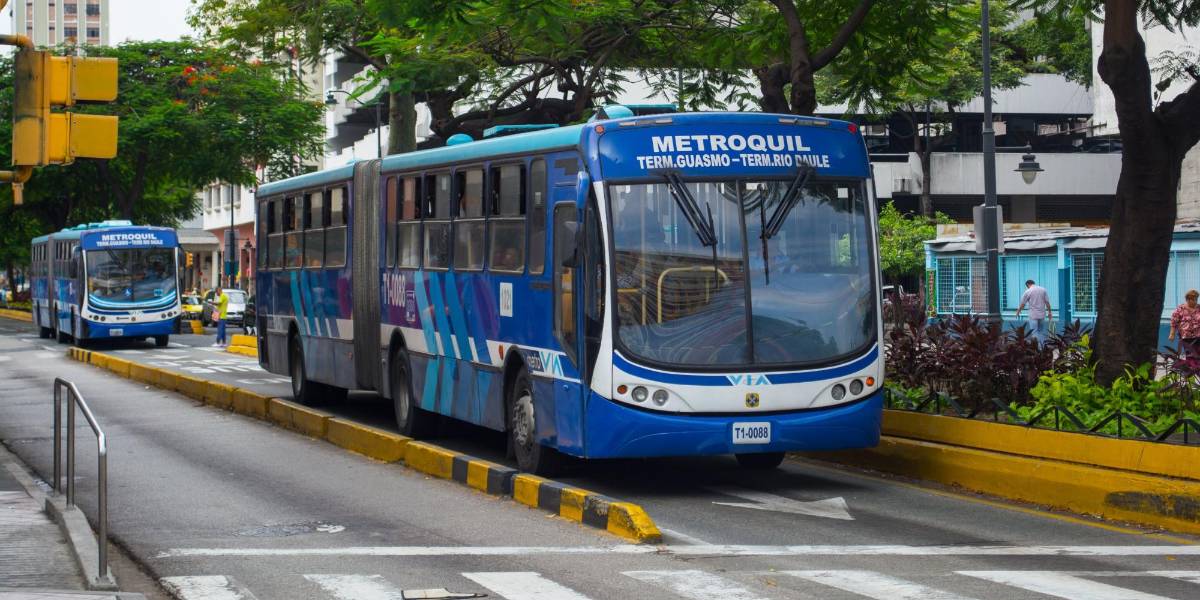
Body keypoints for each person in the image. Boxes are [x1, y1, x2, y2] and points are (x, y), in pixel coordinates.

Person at [1015, 279, 1052, 345]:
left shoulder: (1028, 291)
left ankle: (1037, 348)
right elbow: (1047, 302)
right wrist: (1050, 312)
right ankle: (1042, 347)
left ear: (1028, 285)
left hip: (1033, 315)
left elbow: (1023, 304)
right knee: (1040, 331)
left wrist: (1018, 311)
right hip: (1042, 315)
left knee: (1034, 332)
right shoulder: (1043, 290)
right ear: (1033, 283)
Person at [1169, 289, 1200, 357]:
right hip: (1186, 336)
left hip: (1198, 336)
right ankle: (1192, 367)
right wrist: (1172, 334)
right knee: (1190, 354)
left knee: (1198, 354)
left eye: (1196, 299)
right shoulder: (1181, 308)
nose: (1195, 301)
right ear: (1187, 299)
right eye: (1193, 299)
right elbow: (1174, 321)